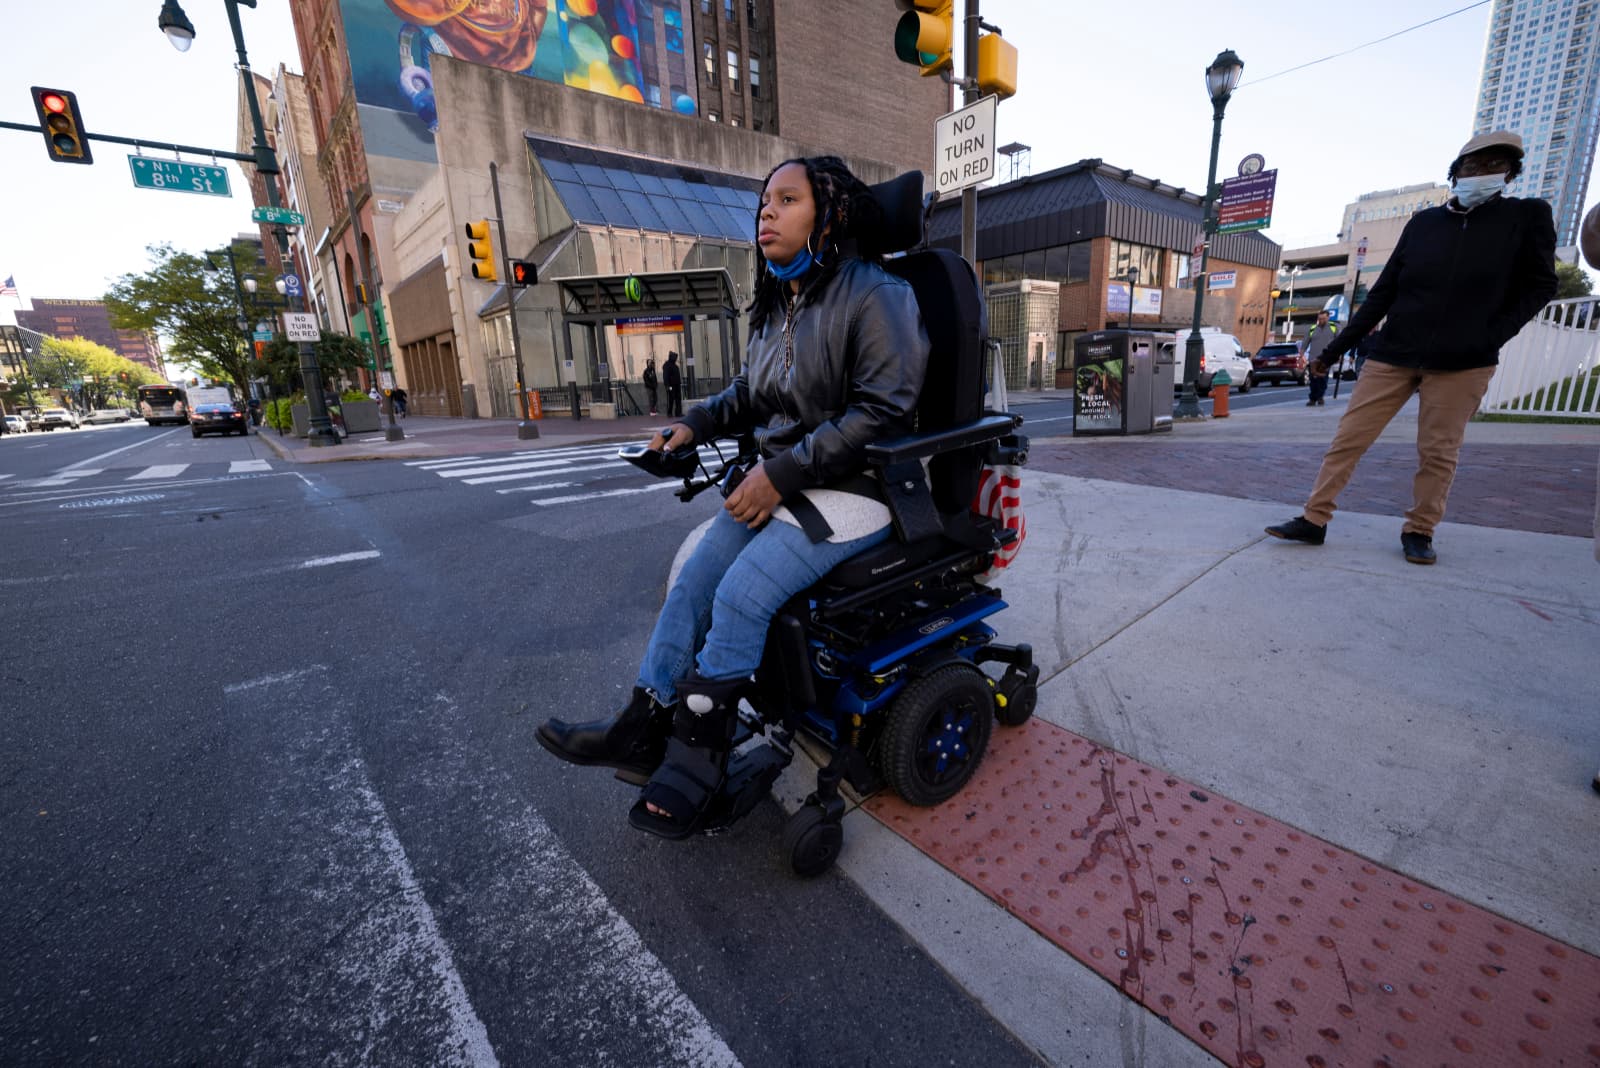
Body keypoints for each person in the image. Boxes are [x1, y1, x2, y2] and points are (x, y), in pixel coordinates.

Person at [536, 156, 930, 838]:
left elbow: (885, 411)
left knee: (742, 594)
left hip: (861, 487)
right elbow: (750, 396)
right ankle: (642, 722)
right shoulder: (781, 301)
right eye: (762, 203)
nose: (765, 214)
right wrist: (695, 422)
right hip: (785, 482)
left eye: (786, 199)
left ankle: (696, 761)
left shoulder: (879, 294)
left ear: (827, 214)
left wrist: (782, 474)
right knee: (695, 582)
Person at [1266, 130, 1557, 565]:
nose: (1481, 173)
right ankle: (1314, 519)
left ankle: (1420, 530)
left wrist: (1492, 334)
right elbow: (1382, 295)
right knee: (1348, 438)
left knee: (1438, 451)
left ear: (1510, 173)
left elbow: (1541, 285)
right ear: (1456, 171)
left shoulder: (1527, 216)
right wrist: (1333, 351)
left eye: (1494, 165)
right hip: (1394, 352)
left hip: (1464, 360)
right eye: (1472, 165)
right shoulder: (1424, 224)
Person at [1302, 309, 1339, 406]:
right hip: (1313, 358)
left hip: (1326, 359)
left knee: (1322, 379)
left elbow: (1339, 342)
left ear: (1328, 318)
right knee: (1313, 380)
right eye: (1319, 319)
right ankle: (1312, 398)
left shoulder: (1333, 328)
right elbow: (1305, 342)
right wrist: (1301, 354)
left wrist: (1339, 354)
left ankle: (1320, 397)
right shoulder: (1312, 329)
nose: (1321, 321)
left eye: (1323, 319)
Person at [662, 350, 683, 418]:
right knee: (671, 399)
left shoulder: (675, 366)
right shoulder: (667, 365)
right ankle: (669, 412)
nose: (676, 359)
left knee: (678, 399)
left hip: (677, 385)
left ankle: (678, 412)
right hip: (671, 386)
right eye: (674, 357)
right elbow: (666, 376)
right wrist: (667, 386)